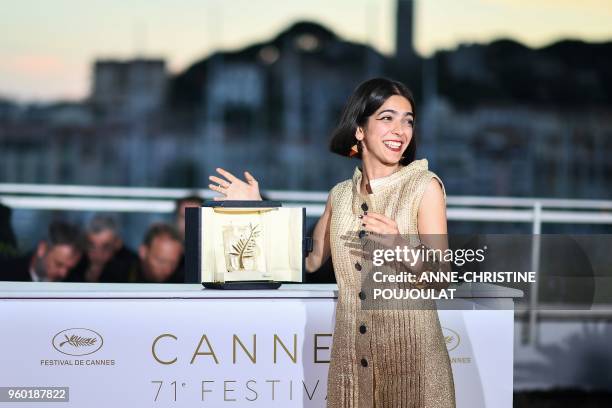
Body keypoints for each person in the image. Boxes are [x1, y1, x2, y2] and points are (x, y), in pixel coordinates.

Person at [208, 78, 456, 407]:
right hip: (351, 365)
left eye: (407, 120)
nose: (400, 130)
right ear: (359, 129)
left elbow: (443, 277)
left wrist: (400, 244)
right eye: (387, 118)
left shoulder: (424, 187)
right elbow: (307, 261)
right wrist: (258, 208)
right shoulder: (339, 196)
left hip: (413, 364)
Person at [0, 220, 84, 282]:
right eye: (58, 264)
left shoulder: (74, 283)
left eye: (70, 269)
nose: (63, 273)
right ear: (42, 249)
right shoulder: (5, 274)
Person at [66, 215, 138, 283]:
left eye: (106, 247)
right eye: (92, 246)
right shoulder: (76, 262)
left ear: (117, 243)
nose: (98, 254)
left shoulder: (132, 266)